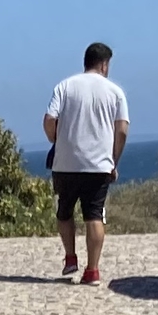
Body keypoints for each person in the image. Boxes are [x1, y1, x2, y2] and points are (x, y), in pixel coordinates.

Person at [45, 42, 130, 284]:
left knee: (65, 211)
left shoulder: (65, 86)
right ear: (104, 64)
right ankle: (92, 270)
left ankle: (70, 257)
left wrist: (55, 138)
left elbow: (50, 119)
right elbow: (122, 129)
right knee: (94, 215)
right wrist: (113, 159)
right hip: (98, 165)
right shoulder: (115, 92)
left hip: (65, 163)